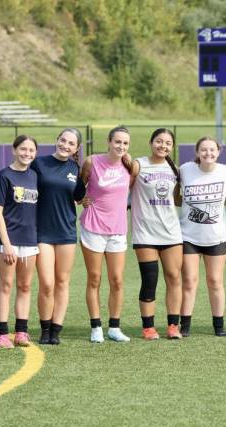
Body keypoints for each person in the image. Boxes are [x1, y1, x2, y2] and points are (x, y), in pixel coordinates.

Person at [79, 126, 132, 343]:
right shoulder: (92, 162)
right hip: (93, 227)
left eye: (125, 143)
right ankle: (96, 327)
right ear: (109, 141)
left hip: (118, 230)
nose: (121, 146)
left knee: (117, 280)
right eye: (117, 141)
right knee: (95, 278)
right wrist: (81, 199)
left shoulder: (130, 165)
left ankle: (114, 327)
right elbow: (76, 187)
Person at [32, 128, 85, 345]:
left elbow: (81, 196)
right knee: (46, 283)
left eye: (71, 143)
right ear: (57, 140)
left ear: (76, 148)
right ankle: (45, 329)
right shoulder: (39, 164)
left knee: (62, 282)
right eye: (63, 140)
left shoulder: (76, 169)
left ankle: (56, 330)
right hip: (42, 232)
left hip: (66, 232)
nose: (65, 145)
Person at [130, 128, 183, 340]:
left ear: (172, 147)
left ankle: (173, 326)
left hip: (171, 233)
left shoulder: (175, 170)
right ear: (151, 142)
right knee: (150, 280)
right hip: (145, 234)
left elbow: (178, 200)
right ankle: (148, 328)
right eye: (159, 141)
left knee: (173, 278)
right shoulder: (139, 164)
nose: (163, 146)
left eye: (168, 143)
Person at [179, 137, 226, 337]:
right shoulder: (185, 170)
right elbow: (176, 194)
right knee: (189, 281)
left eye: (212, 150)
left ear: (218, 152)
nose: (208, 153)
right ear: (197, 152)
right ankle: (184, 326)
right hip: (188, 236)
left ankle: (219, 326)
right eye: (203, 150)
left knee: (215, 281)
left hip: (216, 237)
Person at [0, 135, 39, 348]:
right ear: (14, 150)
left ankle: (21, 332)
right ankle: (1, 334)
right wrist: (7, 244)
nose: (27, 153)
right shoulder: (3, 176)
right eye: (23, 149)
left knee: (25, 286)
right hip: (7, 240)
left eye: (31, 150)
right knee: (6, 285)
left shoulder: (35, 176)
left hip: (30, 240)